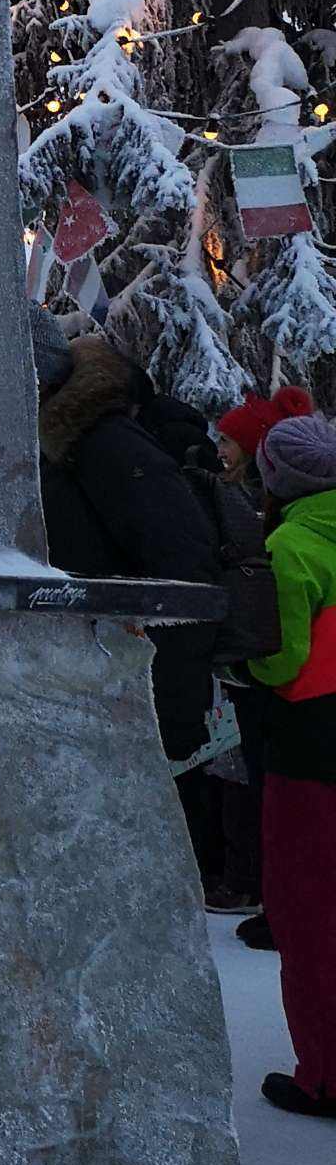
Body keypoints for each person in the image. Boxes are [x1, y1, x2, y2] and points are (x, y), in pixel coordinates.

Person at [33, 314, 233, 895]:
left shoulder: (101, 441)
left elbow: (183, 565)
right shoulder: (61, 445)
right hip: (96, 666)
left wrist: (172, 696)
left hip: (133, 673)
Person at [244, 412, 336, 1118]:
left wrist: (242, 660)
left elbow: (286, 660)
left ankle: (326, 1075)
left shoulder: (293, 545)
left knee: (307, 915)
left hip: (313, 756)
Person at [212, 388, 312, 945]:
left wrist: (258, 672)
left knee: (280, 798)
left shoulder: (290, 540)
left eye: (228, 440)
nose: (219, 449)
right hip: (302, 695)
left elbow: (288, 644)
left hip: (292, 695)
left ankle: (275, 902)